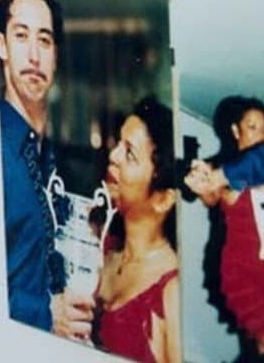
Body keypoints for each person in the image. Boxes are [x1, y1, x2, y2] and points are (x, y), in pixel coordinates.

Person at [0, 0, 95, 338]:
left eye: (45, 40)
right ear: (2, 46)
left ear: (56, 56)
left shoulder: (51, 158)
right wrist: (45, 314)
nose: (34, 56)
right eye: (21, 36)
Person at [95, 97, 181, 363]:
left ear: (163, 199)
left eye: (129, 154)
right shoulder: (101, 246)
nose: (113, 156)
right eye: (119, 144)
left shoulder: (172, 292)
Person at [186, 96, 264, 360]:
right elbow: (211, 195)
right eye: (253, 127)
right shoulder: (225, 172)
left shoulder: (239, 170)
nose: (261, 135)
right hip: (245, 276)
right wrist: (202, 181)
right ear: (235, 131)